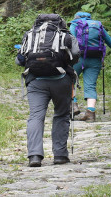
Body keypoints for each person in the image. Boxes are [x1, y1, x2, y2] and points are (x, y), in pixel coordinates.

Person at [16, 13, 80, 167]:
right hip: (61, 81)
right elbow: (76, 56)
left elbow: (20, 60)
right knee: (61, 114)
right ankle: (60, 155)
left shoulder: (29, 35)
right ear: (61, 23)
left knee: (36, 116)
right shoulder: (65, 36)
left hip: (36, 81)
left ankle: (34, 156)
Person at [68, 11, 111, 122]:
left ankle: (73, 103)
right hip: (95, 59)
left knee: (70, 81)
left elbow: (70, 42)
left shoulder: (75, 25)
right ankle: (90, 113)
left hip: (77, 59)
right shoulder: (98, 25)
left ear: (76, 17)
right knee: (90, 85)